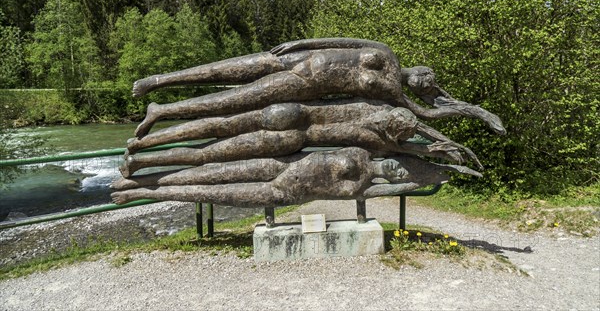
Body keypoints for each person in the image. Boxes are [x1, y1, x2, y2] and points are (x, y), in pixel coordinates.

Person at [131, 38, 506, 138]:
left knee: (233, 101)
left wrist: (477, 112)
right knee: (223, 69)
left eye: (430, 83)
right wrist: (302, 43)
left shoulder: (396, 96)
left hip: (302, 86)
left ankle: (161, 112)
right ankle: (159, 82)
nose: (426, 80)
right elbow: (346, 40)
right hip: (299, 59)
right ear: (420, 68)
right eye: (427, 74)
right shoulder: (387, 55)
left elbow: (428, 113)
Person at [119, 105, 482, 178]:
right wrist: (444, 150)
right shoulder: (385, 141)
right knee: (210, 155)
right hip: (294, 137)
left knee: (217, 127)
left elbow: (419, 128)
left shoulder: (373, 108)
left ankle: (141, 148)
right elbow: (419, 147)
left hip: (290, 114)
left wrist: (441, 143)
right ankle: (140, 160)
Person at [111, 147, 481, 207]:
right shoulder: (362, 152)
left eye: (400, 174)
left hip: (282, 191)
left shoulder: (365, 188)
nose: (396, 169)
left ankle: (138, 194)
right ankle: (137, 177)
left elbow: (341, 193)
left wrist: (425, 179)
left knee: (211, 193)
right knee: (208, 172)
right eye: (401, 164)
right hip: (280, 165)